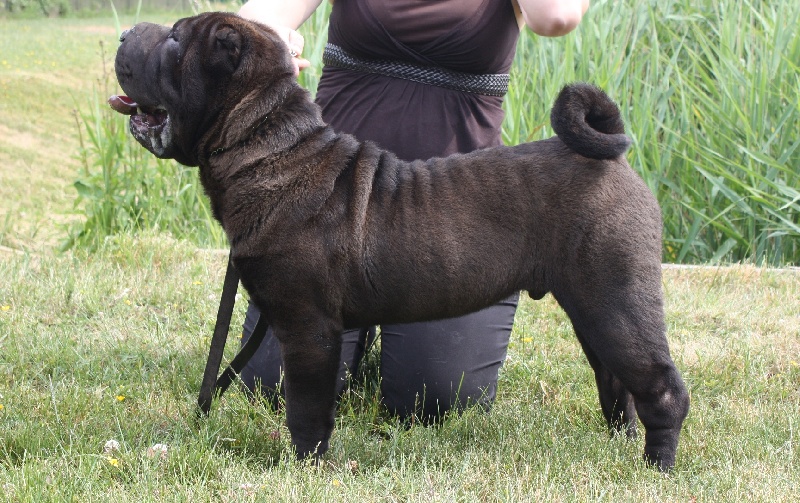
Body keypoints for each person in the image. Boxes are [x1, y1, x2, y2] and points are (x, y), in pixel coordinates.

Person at [236, 0, 589, 421]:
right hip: (330, 209)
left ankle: (366, 322)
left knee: (436, 400)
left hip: (452, 226)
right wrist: (273, 40)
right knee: (273, 386)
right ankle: (358, 321)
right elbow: (256, 17)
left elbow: (557, 16)